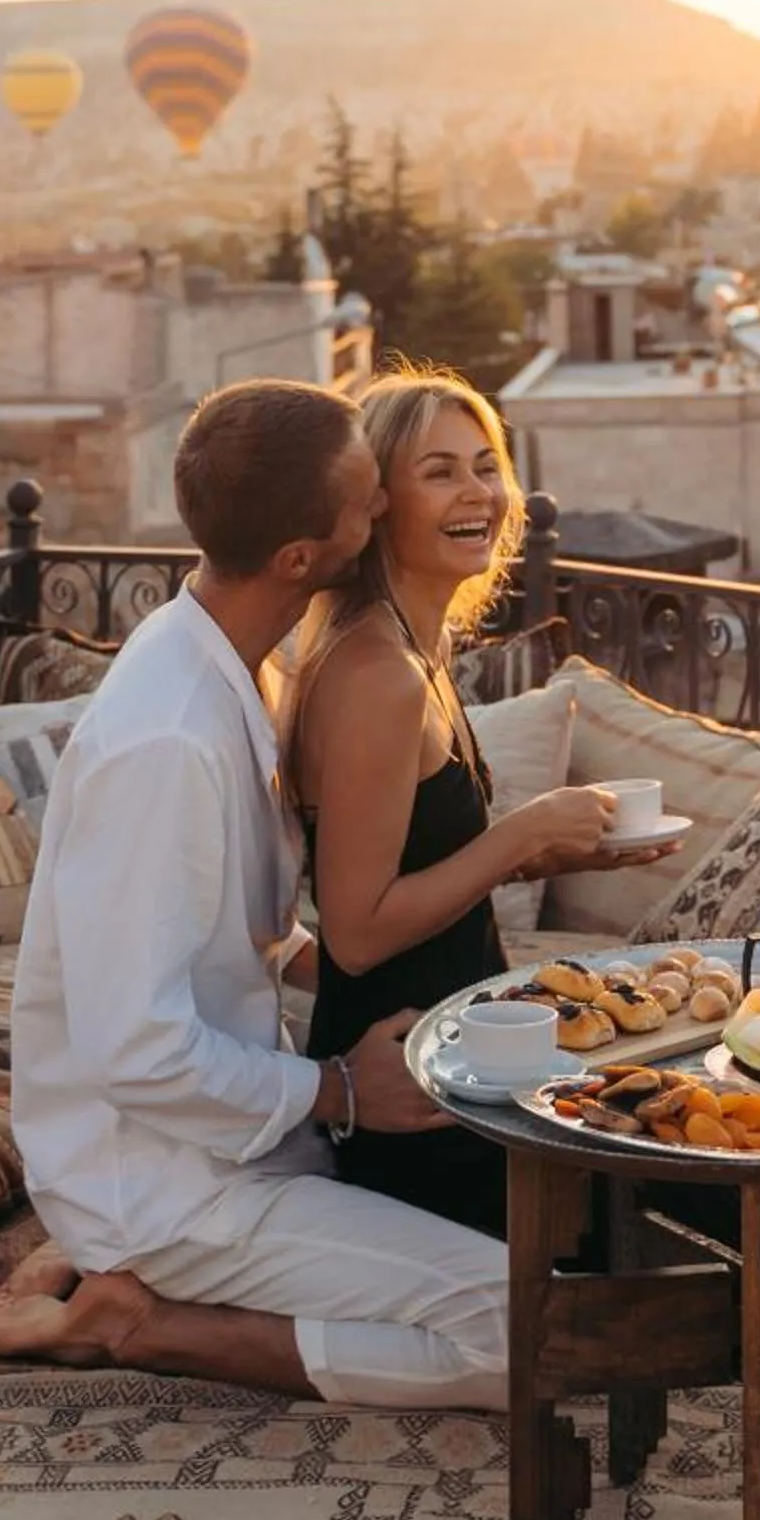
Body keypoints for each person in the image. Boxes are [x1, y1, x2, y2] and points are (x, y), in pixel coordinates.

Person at [0, 377, 511, 1409]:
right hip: (168, 1184)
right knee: (525, 1329)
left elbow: (245, 932)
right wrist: (344, 1090)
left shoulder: (229, 667)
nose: (388, 509)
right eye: (370, 499)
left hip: (235, 1131)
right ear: (303, 558)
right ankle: (141, 1321)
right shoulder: (169, 738)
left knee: (504, 1254)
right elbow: (137, 1046)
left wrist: (345, 972)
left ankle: (99, 1274)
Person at [288, 368, 637, 1235]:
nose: (478, 490)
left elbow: (417, 858)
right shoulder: (376, 673)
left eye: (486, 464)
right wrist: (519, 835)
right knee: (678, 1176)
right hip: (417, 1096)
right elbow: (358, 933)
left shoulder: (419, 642)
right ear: (375, 502)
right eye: (439, 471)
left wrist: (560, 846)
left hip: (469, 1050)